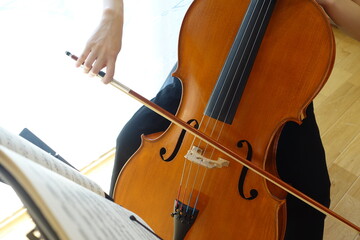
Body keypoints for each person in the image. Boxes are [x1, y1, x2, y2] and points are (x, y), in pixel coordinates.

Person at [76, 0, 360, 239]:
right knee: (129, 141)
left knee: (310, 203)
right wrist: (111, 17)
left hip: (280, 89)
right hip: (207, 67)